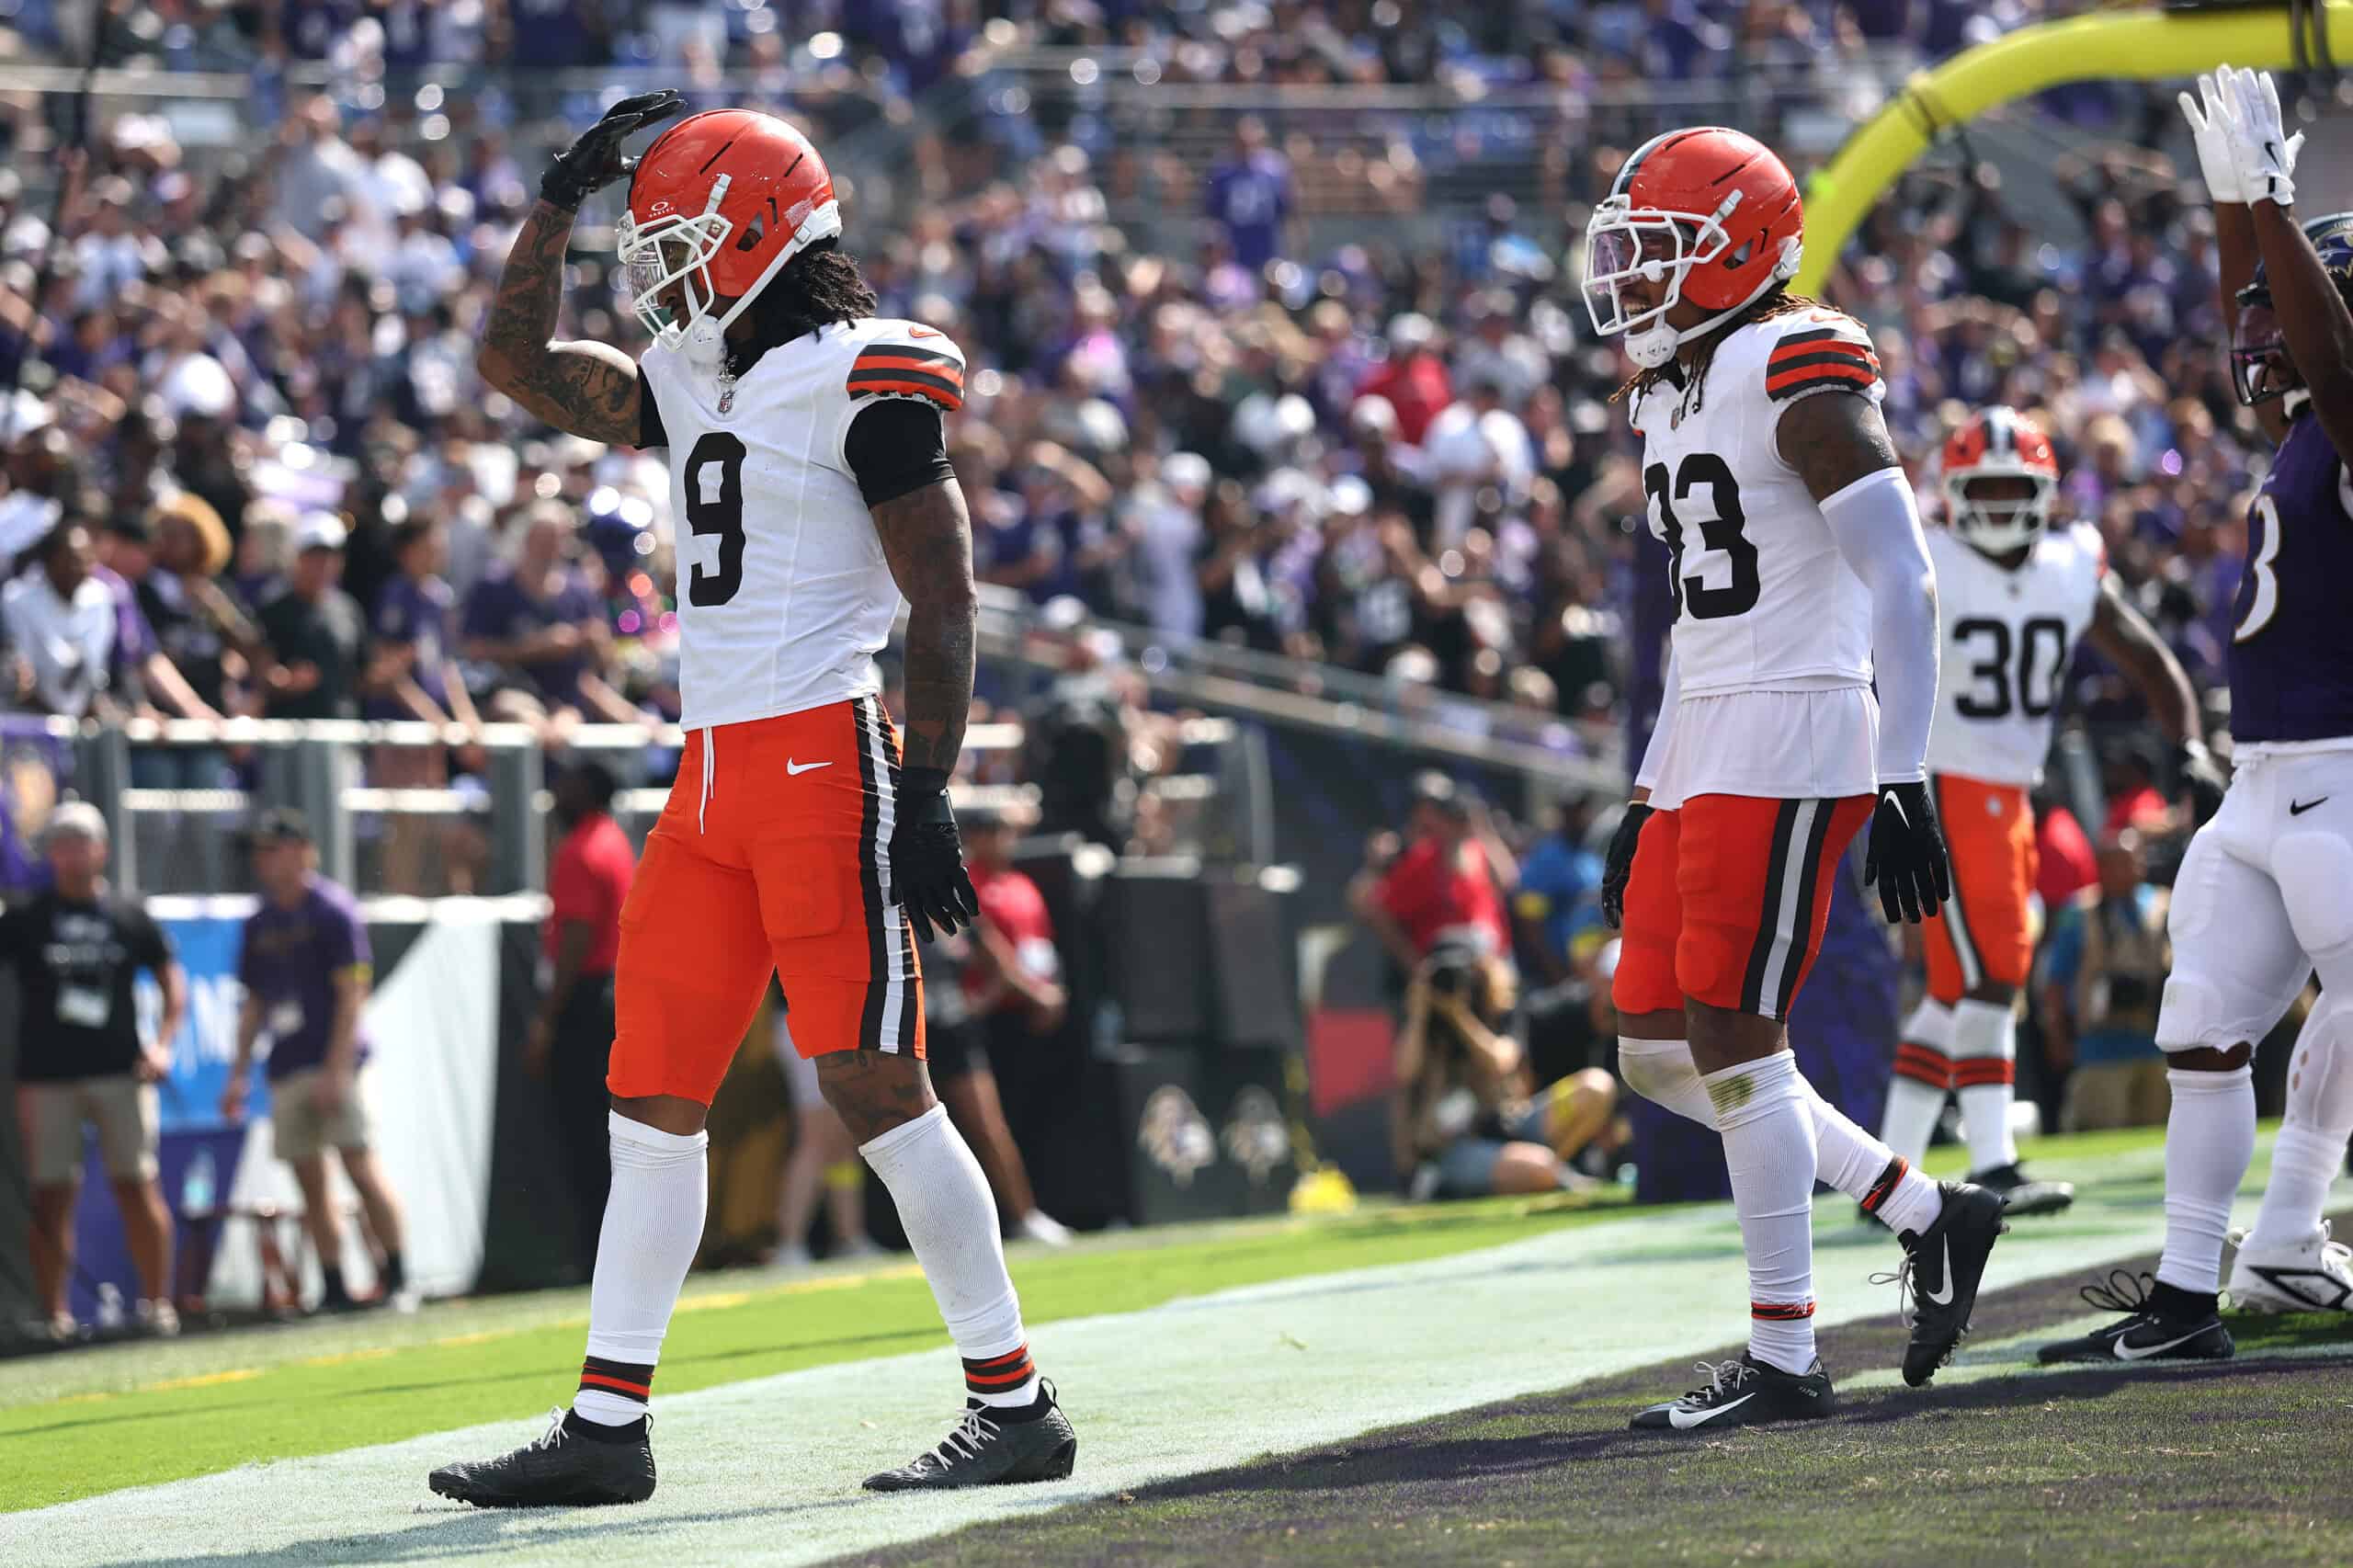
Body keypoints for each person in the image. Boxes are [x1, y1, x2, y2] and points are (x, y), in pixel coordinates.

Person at [432, 96, 1075, 1508]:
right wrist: (554, 198)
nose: (654, 261)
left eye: (677, 233)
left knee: (873, 1082)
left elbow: (945, 594)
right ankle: (608, 1425)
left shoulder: (865, 366)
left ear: (768, 230)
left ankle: (1013, 1396)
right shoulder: (686, 373)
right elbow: (509, 357)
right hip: (709, 770)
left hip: (817, 757)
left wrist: (926, 789)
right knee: (649, 1090)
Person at [1584, 125, 1999, 1432]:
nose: (1635, 279)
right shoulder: (1672, 388)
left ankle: (1785, 1352)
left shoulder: (1798, 357)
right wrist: (1647, 787)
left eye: (1661, 251)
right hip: (1706, 733)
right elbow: (1694, 629)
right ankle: (1929, 1209)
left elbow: (1904, 574)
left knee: (1732, 1032)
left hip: (1798, 727)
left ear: (1738, 251)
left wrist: (1904, 776)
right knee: (1653, 1046)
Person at [2044, 68, 2353, 1358]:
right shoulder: (2298, 433)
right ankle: (2193, 1288)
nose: (2256, 333)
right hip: (2264, 778)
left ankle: (2287, 1233)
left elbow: (2326, 350)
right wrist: (2241, 203)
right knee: (2202, 1026)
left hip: (2346, 771)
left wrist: (2277, 205)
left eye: (2278, 312)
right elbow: (2273, 321)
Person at [1874, 406, 2223, 1219]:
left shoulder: (2069, 565)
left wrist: (2191, 744)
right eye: (1982, 487)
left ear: (2044, 492)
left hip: (2013, 791)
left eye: (2012, 486)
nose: (1997, 503)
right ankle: (1992, 1162)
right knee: (1995, 971)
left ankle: (1889, 1174)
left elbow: (2147, 658)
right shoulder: (1932, 560)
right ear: (1953, 493)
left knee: (1961, 985)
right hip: (1945, 786)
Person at [0, 803, 185, 1340]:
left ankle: (157, 1306)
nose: (72, 853)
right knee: (51, 1193)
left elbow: (173, 980)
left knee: (136, 1181)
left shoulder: (128, 912)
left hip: (119, 1071)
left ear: (101, 850)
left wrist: (163, 1044)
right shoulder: (29, 918)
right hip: (46, 1076)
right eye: (61, 843)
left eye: (82, 842)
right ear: (50, 853)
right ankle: (53, 1316)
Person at [220, 810, 411, 1313]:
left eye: (273, 848)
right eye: (259, 851)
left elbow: (352, 994)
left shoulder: (332, 910)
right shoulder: (260, 921)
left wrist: (335, 1069)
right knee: (309, 1178)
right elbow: (255, 1003)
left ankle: (399, 1276)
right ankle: (332, 1284)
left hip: (336, 1061)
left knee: (359, 1166)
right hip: (288, 1062)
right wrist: (238, 1074)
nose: (264, 860)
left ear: (304, 850)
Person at [1392, 942, 1618, 1200]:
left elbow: (1500, 1062)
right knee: (1537, 1168)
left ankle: (1534, 1170)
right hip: (1456, 1144)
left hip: (1510, 1124)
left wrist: (1459, 1015)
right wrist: (1420, 1012)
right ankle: (1539, 1173)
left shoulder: (1498, 1009)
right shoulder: (1421, 1023)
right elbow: (1404, 1072)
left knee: (1596, 1086)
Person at [527, 759, 636, 1273]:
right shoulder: (612, 839)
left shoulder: (580, 850)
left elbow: (575, 938)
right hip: (614, 996)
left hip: (586, 1001)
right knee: (606, 1127)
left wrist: (547, 1019)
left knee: (583, 1129)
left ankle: (594, 1251)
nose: (557, 792)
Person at [949, 798, 1074, 1246]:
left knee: (1031, 1120)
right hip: (990, 1018)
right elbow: (989, 954)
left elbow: (1039, 946)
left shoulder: (1021, 883)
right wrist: (1033, 994)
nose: (1006, 840)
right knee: (991, 1123)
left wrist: (1050, 993)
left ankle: (1036, 1207)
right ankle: (1008, 1217)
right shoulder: (971, 883)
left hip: (1034, 1012)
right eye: (995, 831)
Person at [2040, 829, 2174, 1133]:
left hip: (2155, 1042)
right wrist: (2057, 1034)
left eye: (2132, 862)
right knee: (2097, 1128)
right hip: (2101, 1047)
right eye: (2116, 864)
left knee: (2158, 1134)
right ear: (2100, 868)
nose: (2128, 871)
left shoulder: (2161, 905)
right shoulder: (2079, 911)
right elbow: (2055, 981)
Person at [1350, 771, 1515, 979]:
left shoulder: (1478, 849)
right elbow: (1374, 909)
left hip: (1486, 964)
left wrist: (1481, 828)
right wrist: (1415, 964)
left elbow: (1508, 881)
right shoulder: (1415, 857)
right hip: (1443, 969)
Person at [768, 994, 884, 1268]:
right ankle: (788, 1245)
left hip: (836, 1023)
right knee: (816, 1140)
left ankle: (849, 1237)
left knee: (843, 1142)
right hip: (810, 1022)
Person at [253, 514, 370, 721]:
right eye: (314, 556)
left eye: (330, 557)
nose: (322, 565)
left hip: (340, 733)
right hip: (286, 734)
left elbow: (362, 673)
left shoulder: (349, 609)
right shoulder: (272, 609)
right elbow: (259, 670)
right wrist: (284, 681)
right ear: (298, 557)